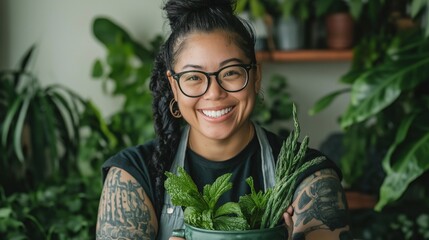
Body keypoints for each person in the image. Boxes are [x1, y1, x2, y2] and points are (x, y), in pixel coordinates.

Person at [96, 0, 352, 239]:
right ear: (174, 86)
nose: (214, 93)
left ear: (256, 77)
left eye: (230, 72)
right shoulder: (133, 175)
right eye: (194, 77)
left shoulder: (309, 177)